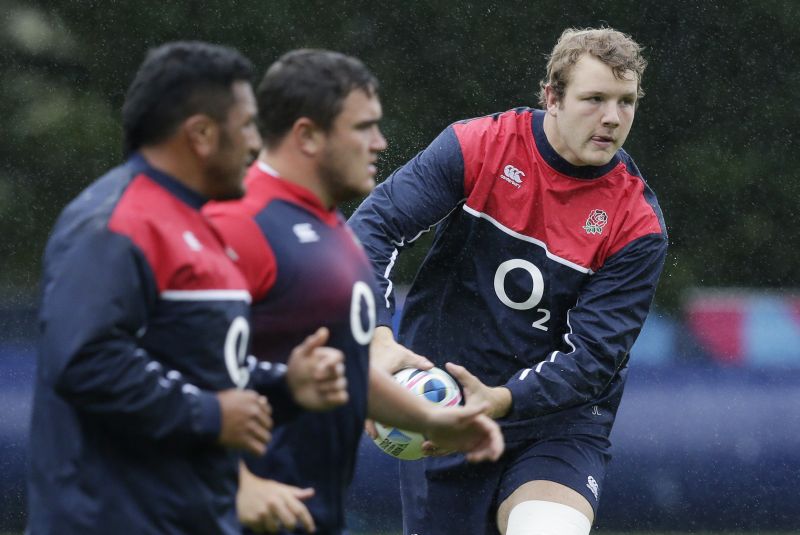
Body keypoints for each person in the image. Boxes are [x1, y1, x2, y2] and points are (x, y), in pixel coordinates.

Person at [348, 27, 668, 535]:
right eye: (594, 99)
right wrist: (377, 339)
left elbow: (592, 360)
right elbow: (370, 231)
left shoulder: (637, 225)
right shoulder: (481, 145)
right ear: (552, 98)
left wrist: (499, 401)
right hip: (444, 404)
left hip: (557, 424)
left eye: (626, 101)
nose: (612, 117)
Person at [28, 41, 349, 535]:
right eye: (245, 126)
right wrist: (206, 414)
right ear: (200, 134)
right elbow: (86, 360)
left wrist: (287, 386)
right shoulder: (114, 224)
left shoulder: (203, 225)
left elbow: (198, 367)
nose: (254, 143)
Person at [204, 49, 505, 534]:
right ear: (307, 135)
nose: (379, 142)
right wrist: (235, 482)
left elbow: (336, 374)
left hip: (306, 511)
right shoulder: (236, 224)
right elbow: (158, 372)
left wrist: (430, 418)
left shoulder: (336, 238)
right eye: (362, 127)